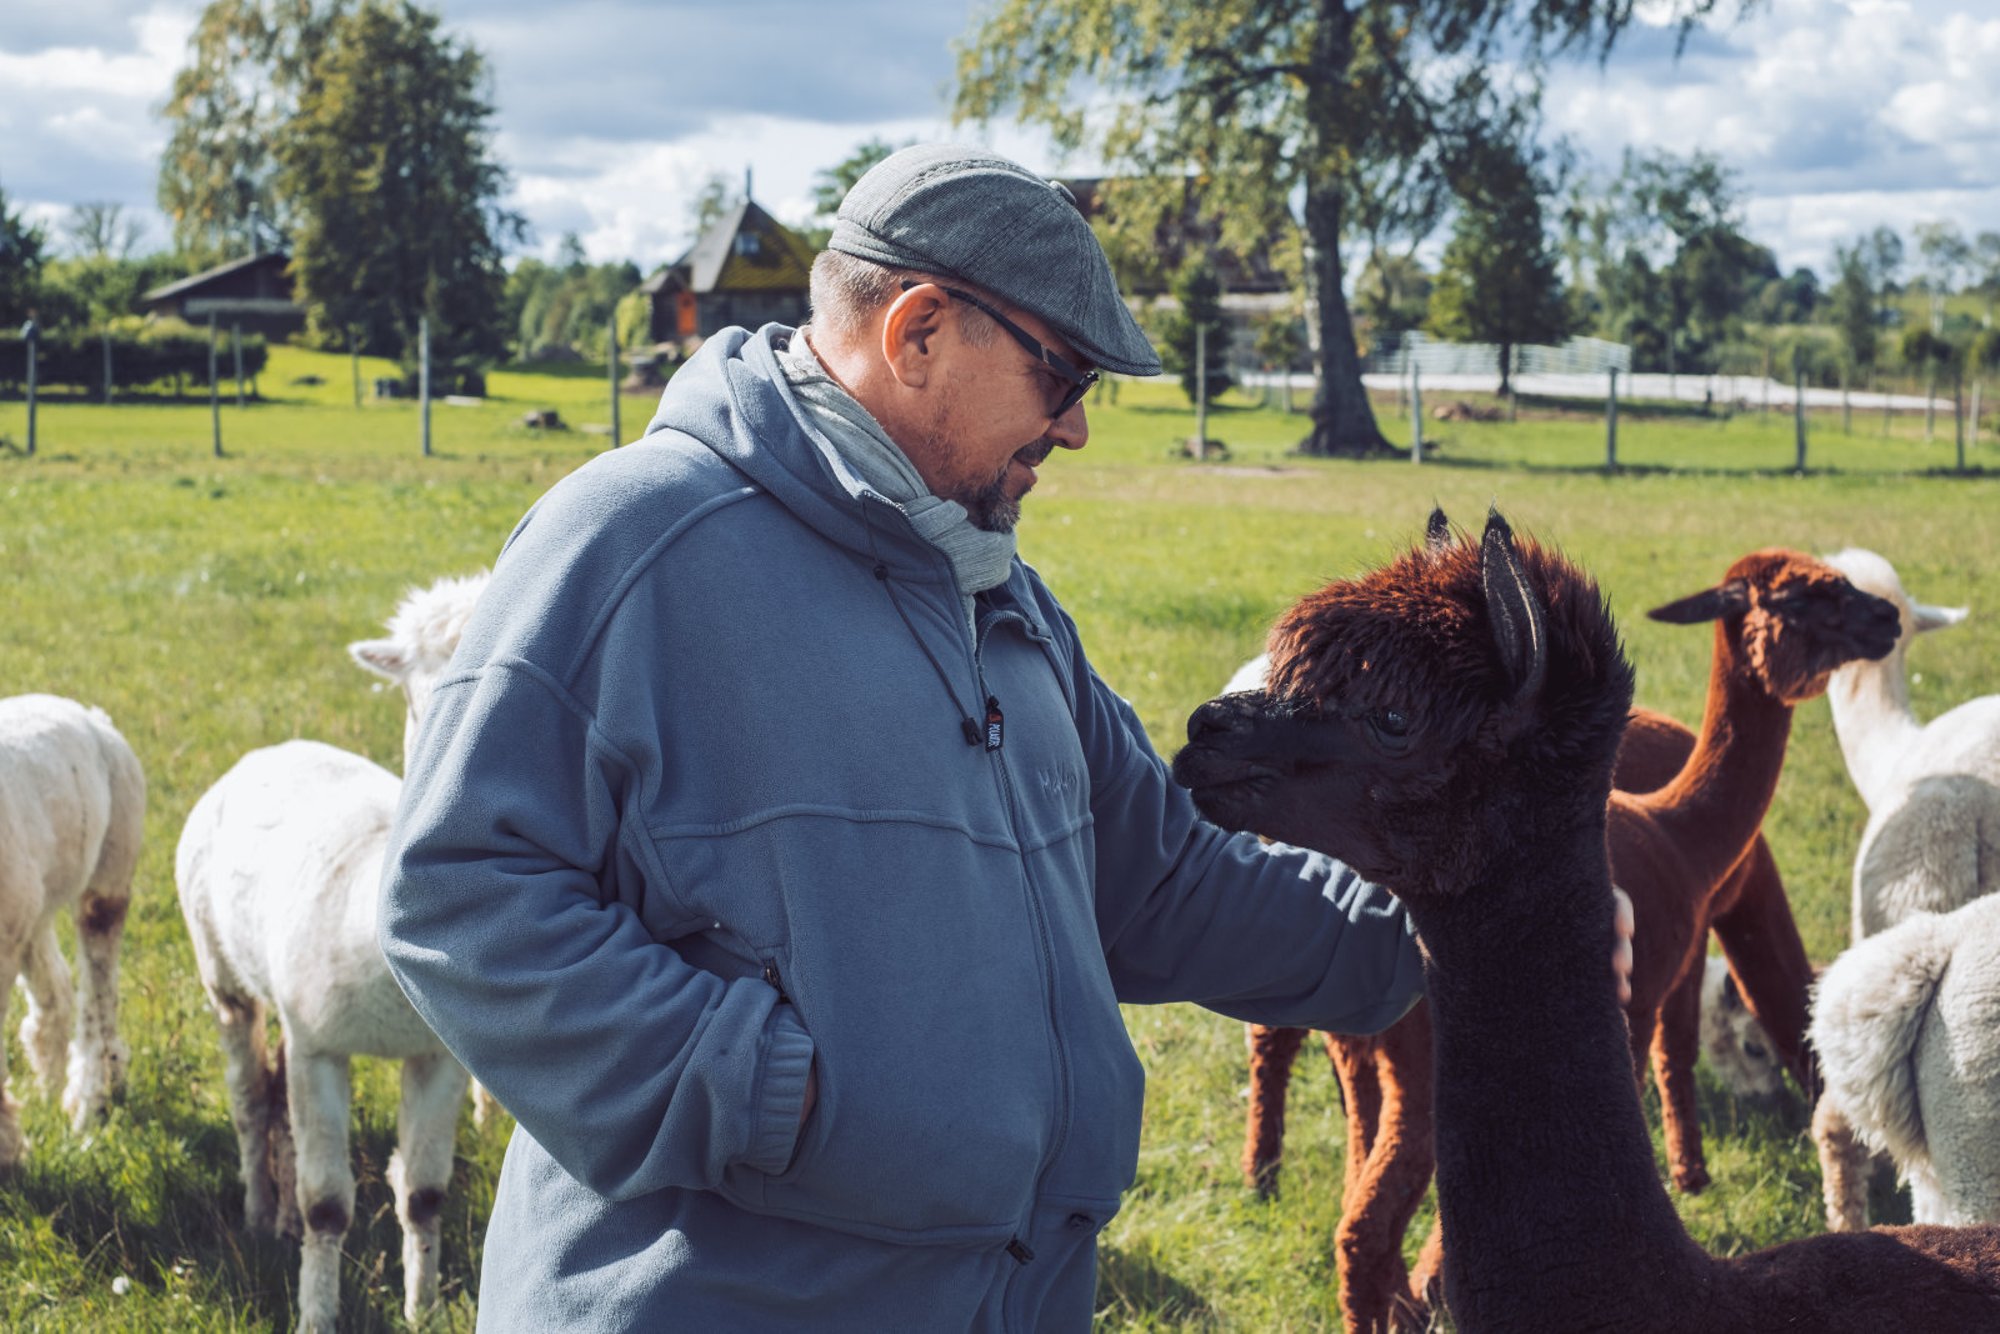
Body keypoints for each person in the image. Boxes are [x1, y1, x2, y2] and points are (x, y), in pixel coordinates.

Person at [378, 145, 1458, 1329]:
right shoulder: (635, 540)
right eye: (1062, 373)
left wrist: (1451, 934)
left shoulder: (1001, 597)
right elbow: (460, 890)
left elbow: (1160, 882)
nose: (1079, 426)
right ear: (920, 330)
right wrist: (754, 1089)